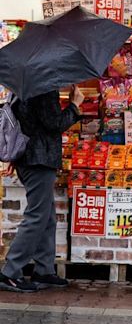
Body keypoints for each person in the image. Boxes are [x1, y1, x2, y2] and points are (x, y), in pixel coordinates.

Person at [0, 85, 84, 293]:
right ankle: (10, 272)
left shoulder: (23, 86)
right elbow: (54, 123)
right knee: (37, 215)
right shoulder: (43, 88)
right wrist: (75, 105)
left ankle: (44, 270)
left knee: (47, 216)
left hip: (30, 157)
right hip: (38, 159)